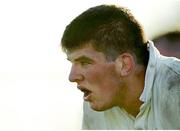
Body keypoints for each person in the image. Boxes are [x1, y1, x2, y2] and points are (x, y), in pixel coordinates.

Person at [61, 5, 180, 129]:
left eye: (84, 62)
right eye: (72, 63)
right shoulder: (96, 105)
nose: (72, 77)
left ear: (124, 65)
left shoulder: (176, 88)